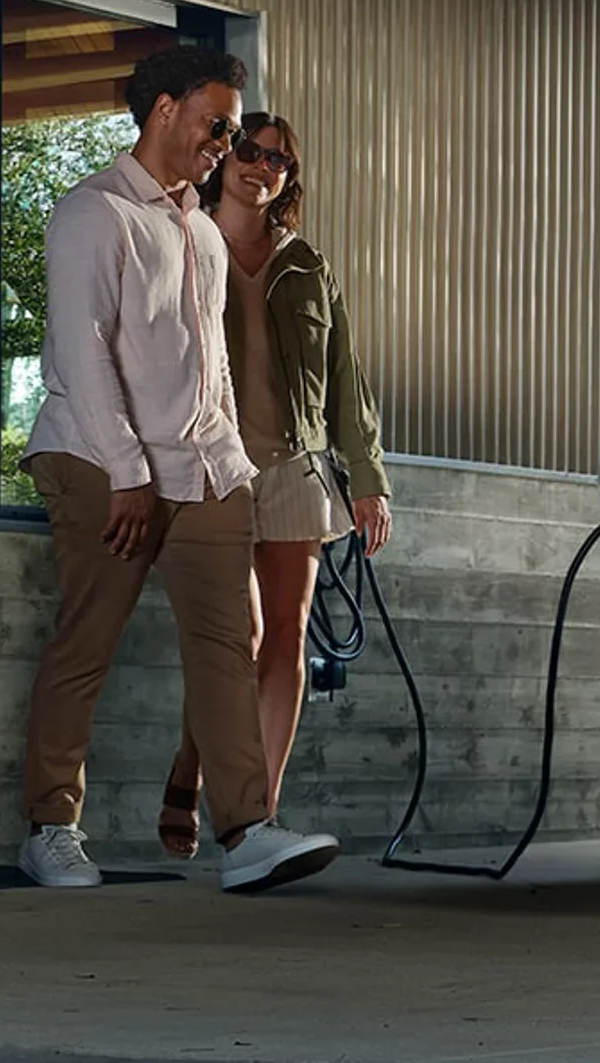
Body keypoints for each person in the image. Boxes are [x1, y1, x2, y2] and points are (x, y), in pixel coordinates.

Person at [16, 47, 343, 894]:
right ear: (164, 110)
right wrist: (128, 472)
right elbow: (85, 352)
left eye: (233, 127)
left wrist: (230, 461)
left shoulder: (197, 228)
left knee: (229, 647)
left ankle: (246, 832)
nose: (226, 140)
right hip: (100, 458)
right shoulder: (93, 213)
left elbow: (212, 365)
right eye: (218, 122)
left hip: (202, 470)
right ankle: (51, 826)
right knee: (89, 641)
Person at [156, 112, 392, 861]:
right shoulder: (187, 243)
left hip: (296, 464)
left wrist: (369, 479)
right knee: (237, 637)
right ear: (225, 160)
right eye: (251, 153)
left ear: (290, 179)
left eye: (279, 162)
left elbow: (348, 383)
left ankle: (259, 814)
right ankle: (193, 775)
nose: (262, 168)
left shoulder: (307, 266)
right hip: (212, 466)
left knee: (285, 637)